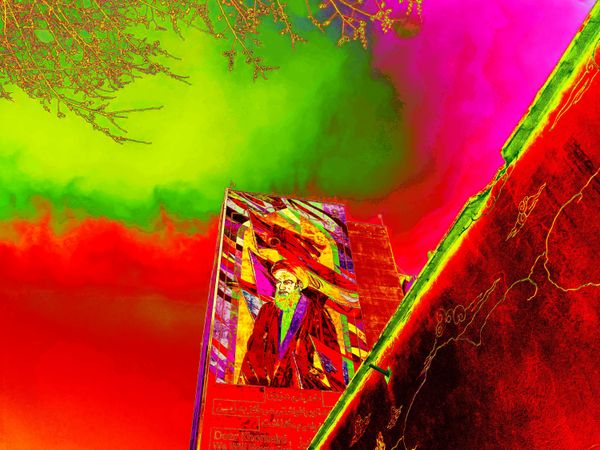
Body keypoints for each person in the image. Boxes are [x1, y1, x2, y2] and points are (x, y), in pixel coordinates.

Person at [240, 260, 344, 390]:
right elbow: (255, 345)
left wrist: (334, 384)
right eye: (279, 282)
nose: (281, 286)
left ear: (299, 285)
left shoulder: (315, 312)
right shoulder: (267, 310)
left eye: (287, 282)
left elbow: (330, 350)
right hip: (269, 381)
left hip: (300, 380)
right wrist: (256, 381)